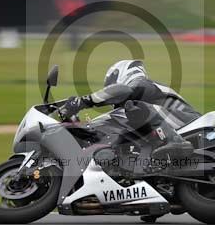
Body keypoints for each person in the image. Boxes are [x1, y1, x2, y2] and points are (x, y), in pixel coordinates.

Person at [59, 60, 198, 161]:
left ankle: (176, 142)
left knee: (133, 107)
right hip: (175, 124)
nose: (110, 89)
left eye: (111, 84)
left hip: (189, 121)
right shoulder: (140, 106)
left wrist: (84, 101)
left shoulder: (142, 83)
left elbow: (122, 90)